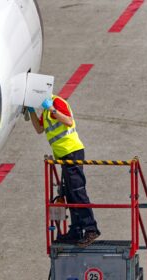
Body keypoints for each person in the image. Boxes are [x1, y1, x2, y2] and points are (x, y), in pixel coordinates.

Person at [27, 95, 100, 247]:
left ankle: (91, 229)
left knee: (78, 191)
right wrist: (31, 111)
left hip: (72, 151)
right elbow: (39, 129)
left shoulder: (56, 103)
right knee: (69, 193)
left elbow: (68, 121)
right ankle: (76, 230)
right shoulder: (46, 112)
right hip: (63, 156)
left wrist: (52, 109)